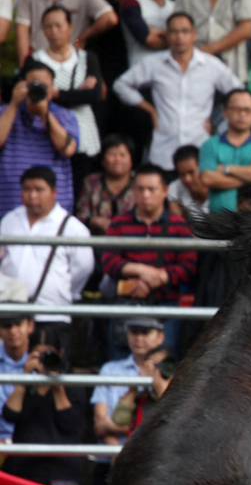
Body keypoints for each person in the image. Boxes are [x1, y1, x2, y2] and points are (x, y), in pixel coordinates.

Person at [113, 12, 244, 170]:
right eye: (174, 32)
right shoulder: (155, 64)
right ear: (167, 35)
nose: (179, 37)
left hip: (199, 149)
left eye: (185, 31)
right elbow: (121, 85)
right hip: (164, 151)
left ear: (194, 34)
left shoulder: (211, 65)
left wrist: (217, 119)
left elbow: (238, 93)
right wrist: (150, 110)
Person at [101, 164, 197, 357]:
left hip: (166, 306)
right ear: (133, 191)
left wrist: (161, 277)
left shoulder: (178, 225)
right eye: (140, 189)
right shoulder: (119, 223)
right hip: (127, 303)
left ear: (164, 191)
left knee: (162, 364)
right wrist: (141, 271)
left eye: (151, 189)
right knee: (120, 362)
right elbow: (107, 260)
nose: (145, 195)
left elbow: (190, 265)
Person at [0, 165, 93, 356]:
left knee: (49, 374)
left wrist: (63, 291)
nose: (32, 196)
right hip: (11, 316)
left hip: (52, 314)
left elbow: (83, 268)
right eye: (27, 189)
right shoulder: (10, 220)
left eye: (39, 190)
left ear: (54, 192)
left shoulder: (72, 227)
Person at [89, 316, 164, 485]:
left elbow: (164, 426)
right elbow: (99, 425)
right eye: (134, 332)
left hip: (152, 465)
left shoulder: (169, 372)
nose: (139, 338)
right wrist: (118, 453)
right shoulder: (109, 370)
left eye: (145, 333)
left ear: (160, 337)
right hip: (109, 462)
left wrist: (116, 428)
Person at [1, 344, 85, 485]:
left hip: (61, 471)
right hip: (24, 469)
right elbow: (10, 415)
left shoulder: (73, 383)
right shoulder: (27, 385)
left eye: (50, 355)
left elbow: (71, 425)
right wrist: (25, 377)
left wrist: (57, 387)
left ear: (61, 354)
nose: (45, 361)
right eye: (39, 356)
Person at [0, 59, 79, 216]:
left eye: (44, 85)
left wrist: (44, 114)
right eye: (34, 84)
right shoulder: (5, 112)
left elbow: (68, 149)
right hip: (9, 205)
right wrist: (14, 104)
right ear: (22, 85)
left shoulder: (65, 116)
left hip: (54, 208)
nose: (39, 88)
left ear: (52, 89)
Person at [32, 5, 103, 180]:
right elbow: (37, 97)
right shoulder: (36, 60)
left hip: (84, 132)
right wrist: (78, 93)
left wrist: (57, 94)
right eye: (48, 26)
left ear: (70, 27)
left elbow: (95, 95)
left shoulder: (87, 58)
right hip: (49, 132)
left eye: (58, 25)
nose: (53, 31)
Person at [198, 89, 251, 213]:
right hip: (219, 220)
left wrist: (226, 169)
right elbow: (207, 179)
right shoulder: (210, 144)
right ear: (225, 112)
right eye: (237, 109)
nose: (242, 114)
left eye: (248, 110)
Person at [76, 133, 135, 235]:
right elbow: (81, 216)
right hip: (97, 242)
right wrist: (94, 221)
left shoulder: (139, 182)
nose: (117, 159)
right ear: (103, 160)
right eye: (112, 154)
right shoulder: (91, 181)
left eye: (122, 155)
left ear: (131, 161)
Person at [112, 344, 174, 435]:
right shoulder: (141, 398)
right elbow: (119, 420)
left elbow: (172, 424)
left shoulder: (181, 396)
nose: (158, 370)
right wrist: (135, 386)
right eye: (155, 365)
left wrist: (162, 392)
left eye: (164, 365)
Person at [0, 299, 35, 445]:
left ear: (30, 326)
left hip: (33, 444)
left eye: (18, 324)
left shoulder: (43, 363)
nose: (13, 330)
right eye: (7, 325)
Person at [168, 144, 209, 216]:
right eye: (182, 174)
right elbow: (176, 224)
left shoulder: (218, 187)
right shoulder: (175, 188)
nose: (187, 179)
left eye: (191, 172)